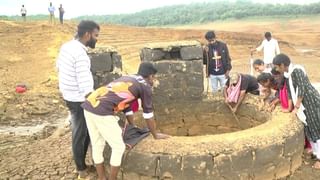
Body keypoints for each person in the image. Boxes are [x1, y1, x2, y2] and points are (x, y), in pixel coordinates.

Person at [81, 62, 170, 180]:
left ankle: (101, 177)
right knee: (118, 147)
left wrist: (132, 125)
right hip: (103, 111)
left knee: (97, 144)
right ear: (150, 76)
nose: (154, 80)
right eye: (154, 77)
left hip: (89, 104)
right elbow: (148, 114)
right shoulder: (145, 86)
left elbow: (126, 105)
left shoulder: (129, 78)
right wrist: (155, 134)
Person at [56, 20, 100, 179]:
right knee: (80, 132)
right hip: (79, 98)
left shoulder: (66, 46)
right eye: (95, 35)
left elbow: (58, 67)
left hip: (69, 95)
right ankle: (81, 169)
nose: (97, 39)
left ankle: (82, 164)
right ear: (87, 35)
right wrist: (95, 102)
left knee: (83, 130)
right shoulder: (80, 54)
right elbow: (85, 83)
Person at [273, 53, 320, 169]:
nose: (277, 69)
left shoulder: (297, 70)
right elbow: (290, 93)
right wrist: (289, 109)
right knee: (309, 129)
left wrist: (297, 107)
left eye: (277, 67)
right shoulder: (288, 75)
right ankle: (316, 152)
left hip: (310, 103)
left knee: (316, 129)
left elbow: (302, 88)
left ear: (283, 65)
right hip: (304, 105)